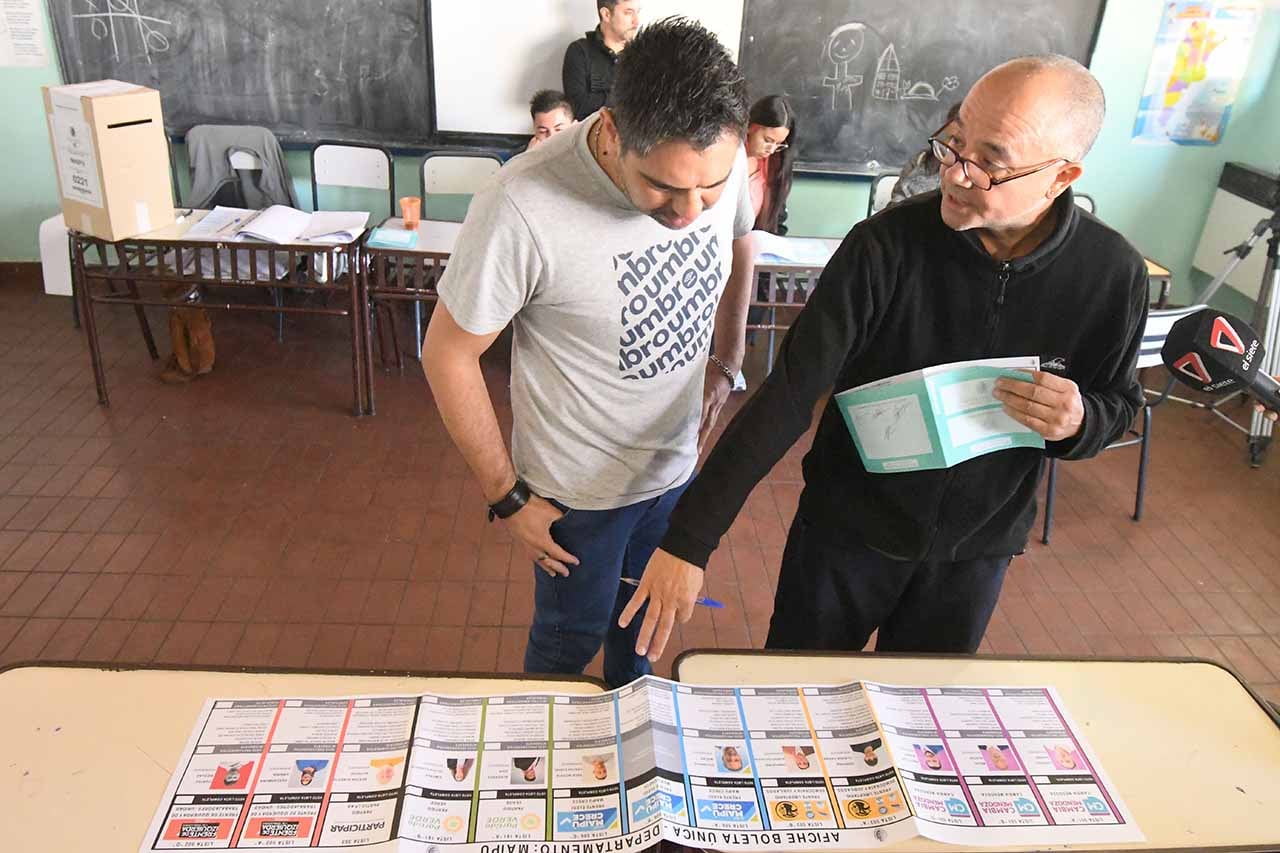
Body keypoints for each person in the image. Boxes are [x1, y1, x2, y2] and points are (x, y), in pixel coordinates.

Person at [622, 55, 1148, 664]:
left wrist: (1079, 423)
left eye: (989, 164)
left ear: (1061, 177)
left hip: (973, 555)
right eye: (953, 144)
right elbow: (791, 394)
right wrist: (689, 541)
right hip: (844, 537)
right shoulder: (885, 247)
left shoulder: (1110, 274)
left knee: (923, 710)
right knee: (797, 696)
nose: (955, 174)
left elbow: (1118, 403)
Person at [423, 18, 756, 689]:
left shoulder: (717, 163)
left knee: (641, 636)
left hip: (674, 468)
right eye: (664, 188)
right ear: (611, 130)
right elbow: (447, 355)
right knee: (566, 644)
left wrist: (727, 359)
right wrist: (507, 496)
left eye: (709, 188)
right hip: (579, 494)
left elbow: (742, 243)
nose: (693, 211)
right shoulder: (524, 202)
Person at [562, 0, 641, 120]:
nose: (636, 22)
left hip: (637, 135)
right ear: (606, 15)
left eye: (638, 12)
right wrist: (626, 97)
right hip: (592, 135)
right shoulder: (580, 51)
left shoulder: (643, 53)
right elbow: (577, 106)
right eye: (628, 13)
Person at [889, 103, 961, 205]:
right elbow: (896, 201)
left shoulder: (967, 176)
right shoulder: (922, 159)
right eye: (950, 138)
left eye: (958, 141)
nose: (950, 145)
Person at [745, 95, 797, 234]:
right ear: (750, 126)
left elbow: (778, 220)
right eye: (768, 140)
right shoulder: (725, 159)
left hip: (757, 244)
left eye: (779, 144)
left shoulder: (774, 165)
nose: (772, 149)